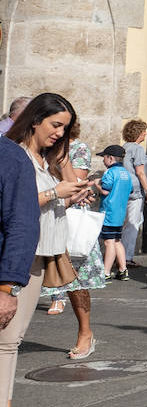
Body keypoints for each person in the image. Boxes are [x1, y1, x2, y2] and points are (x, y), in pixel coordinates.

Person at [8, 95, 96, 376]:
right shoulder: (14, 155)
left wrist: (72, 194)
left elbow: (61, 193)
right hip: (22, 250)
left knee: (12, 338)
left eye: (64, 128)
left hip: (44, 250)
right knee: (8, 340)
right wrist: (55, 193)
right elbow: (14, 205)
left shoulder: (48, 157)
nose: (59, 133)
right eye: (56, 125)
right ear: (35, 120)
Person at [45, 117, 104, 357]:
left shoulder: (76, 149)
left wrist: (59, 156)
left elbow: (75, 183)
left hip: (67, 214)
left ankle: (85, 332)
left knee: (76, 280)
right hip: (39, 213)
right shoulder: (32, 148)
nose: (57, 131)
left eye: (62, 126)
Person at [0, 106, 41, 407]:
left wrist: (7, 286)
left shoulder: (10, 158)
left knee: (8, 341)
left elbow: (21, 223)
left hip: (26, 261)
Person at [120, 120, 147, 270]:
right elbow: (140, 173)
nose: (145, 135)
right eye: (144, 132)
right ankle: (126, 258)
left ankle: (119, 255)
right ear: (140, 133)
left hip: (123, 190)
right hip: (135, 190)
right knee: (133, 224)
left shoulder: (123, 148)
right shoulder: (137, 149)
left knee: (124, 224)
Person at [97, 146, 133, 281]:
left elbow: (105, 191)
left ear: (110, 158)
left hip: (109, 213)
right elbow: (129, 191)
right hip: (120, 213)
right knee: (117, 241)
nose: (103, 161)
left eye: (104, 157)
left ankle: (106, 272)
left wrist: (96, 184)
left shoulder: (110, 172)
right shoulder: (126, 173)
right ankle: (123, 269)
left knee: (108, 242)